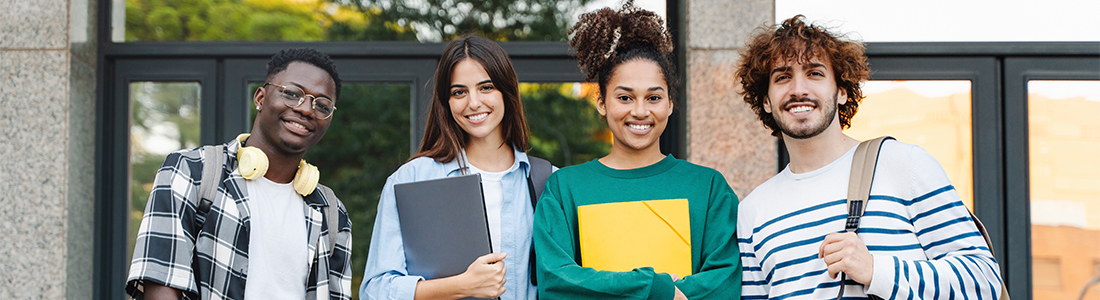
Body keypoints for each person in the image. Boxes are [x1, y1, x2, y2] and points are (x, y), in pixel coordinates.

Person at [734, 15, 1003, 299]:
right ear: (766, 101)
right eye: (782, 77)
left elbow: (984, 282)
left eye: (815, 73)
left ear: (841, 92)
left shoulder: (903, 164)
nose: (799, 89)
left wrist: (876, 270)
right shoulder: (753, 212)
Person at [532, 2, 742, 299]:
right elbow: (558, 284)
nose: (640, 111)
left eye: (654, 98)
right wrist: (655, 288)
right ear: (602, 103)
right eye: (625, 98)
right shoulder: (564, 189)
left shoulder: (708, 188)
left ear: (670, 104)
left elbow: (724, 285)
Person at [126, 48, 353, 300]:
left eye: (322, 105)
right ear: (260, 97)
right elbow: (162, 285)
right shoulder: (191, 171)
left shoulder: (332, 213)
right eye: (292, 94)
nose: (307, 110)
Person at [361, 34, 550, 300]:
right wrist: (462, 286)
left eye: (486, 87)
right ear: (446, 102)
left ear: (507, 92)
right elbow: (375, 290)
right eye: (459, 92)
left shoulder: (549, 182)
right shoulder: (413, 178)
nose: (474, 103)